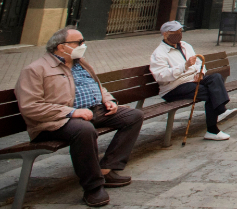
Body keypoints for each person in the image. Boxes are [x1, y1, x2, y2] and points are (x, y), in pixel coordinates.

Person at [15, 27, 143, 207]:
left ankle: (106, 169)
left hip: (91, 111)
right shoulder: (36, 70)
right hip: (55, 121)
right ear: (61, 47)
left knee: (133, 116)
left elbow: (97, 86)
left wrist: (109, 100)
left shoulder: (80, 63)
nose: (84, 45)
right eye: (79, 42)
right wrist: (71, 112)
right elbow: (30, 106)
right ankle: (93, 187)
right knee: (84, 130)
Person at [151, 21, 237, 142]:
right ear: (165, 35)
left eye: (180, 32)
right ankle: (213, 128)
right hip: (174, 87)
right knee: (209, 92)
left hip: (192, 80)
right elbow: (161, 77)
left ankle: (221, 112)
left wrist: (200, 73)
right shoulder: (159, 53)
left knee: (216, 77)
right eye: (175, 32)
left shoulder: (185, 45)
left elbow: (199, 62)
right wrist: (184, 66)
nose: (179, 34)